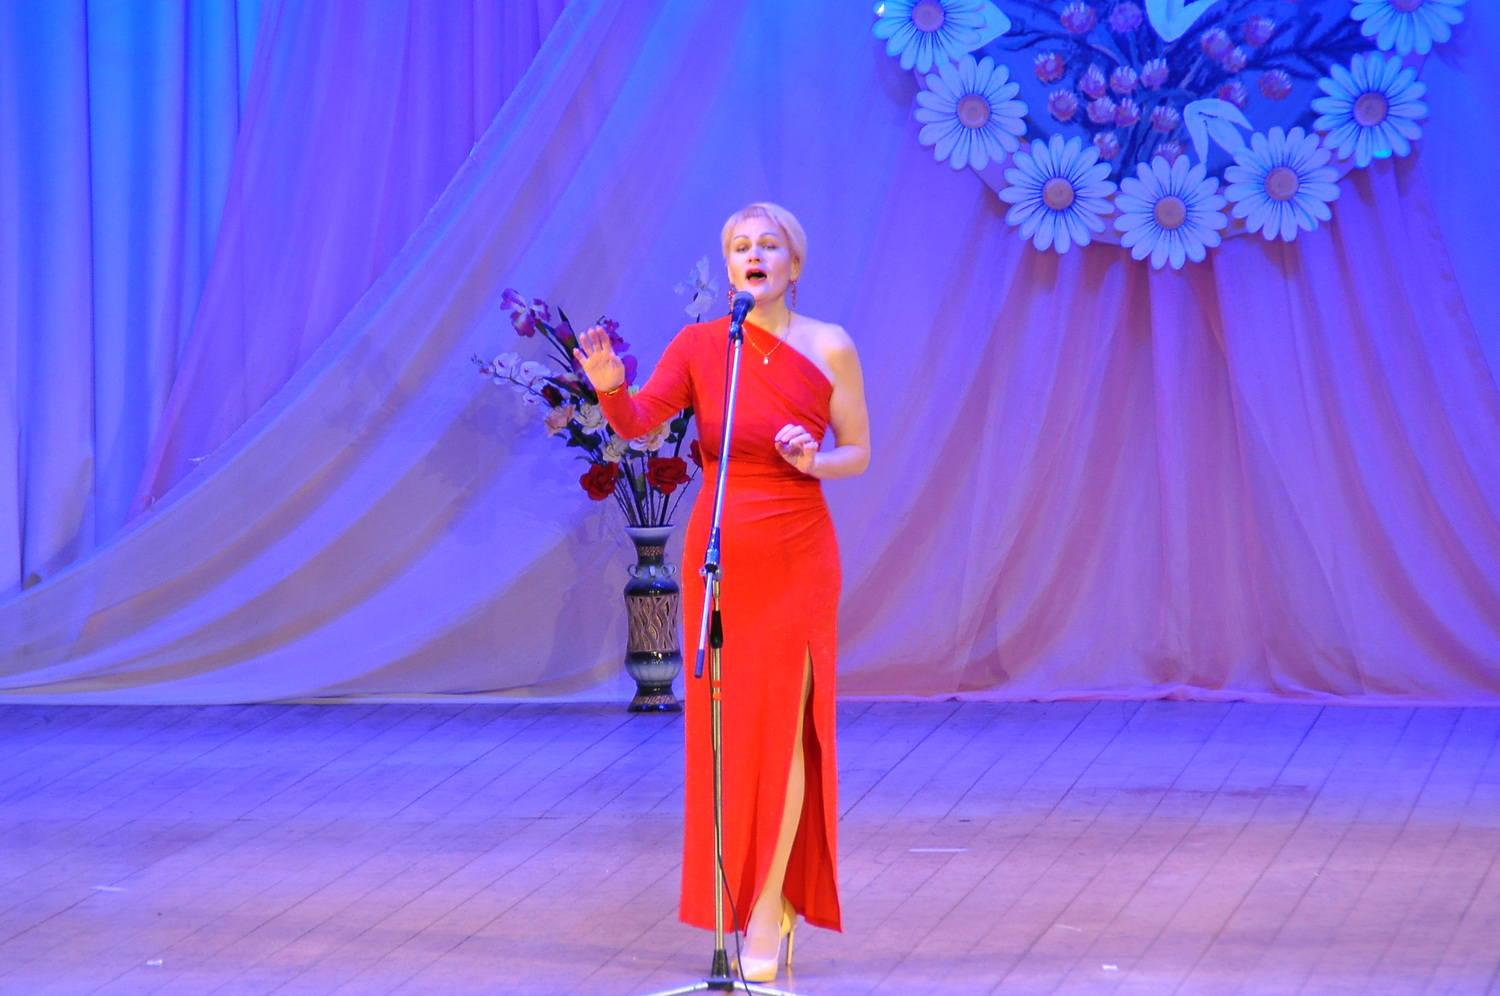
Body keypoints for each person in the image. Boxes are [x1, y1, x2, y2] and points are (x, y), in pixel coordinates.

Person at [573, 203, 870, 983]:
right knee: (728, 736)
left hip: (798, 554)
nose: (753, 255)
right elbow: (640, 423)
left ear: (794, 265)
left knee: (784, 732)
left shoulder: (830, 345)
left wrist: (814, 461)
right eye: (741, 246)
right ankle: (738, 902)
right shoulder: (705, 346)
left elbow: (859, 451)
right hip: (721, 556)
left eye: (769, 245)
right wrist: (610, 389)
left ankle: (770, 910)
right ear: (730, 266)